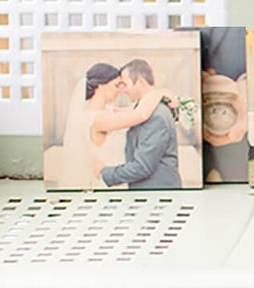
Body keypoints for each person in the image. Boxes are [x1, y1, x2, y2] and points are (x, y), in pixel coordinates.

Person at [56, 62, 169, 190]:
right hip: (105, 182)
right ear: (101, 86)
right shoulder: (98, 118)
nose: (120, 91)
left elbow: (133, 110)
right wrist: (160, 93)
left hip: (115, 179)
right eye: (116, 85)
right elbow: (141, 114)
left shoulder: (106, 112)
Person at [99, 59, 182, 189]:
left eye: (125, 85)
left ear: (140, 82)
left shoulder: (156, 116)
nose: (123, 91)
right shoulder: (144, 109)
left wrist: (104, 173)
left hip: (157, 191)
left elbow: (143, 167)